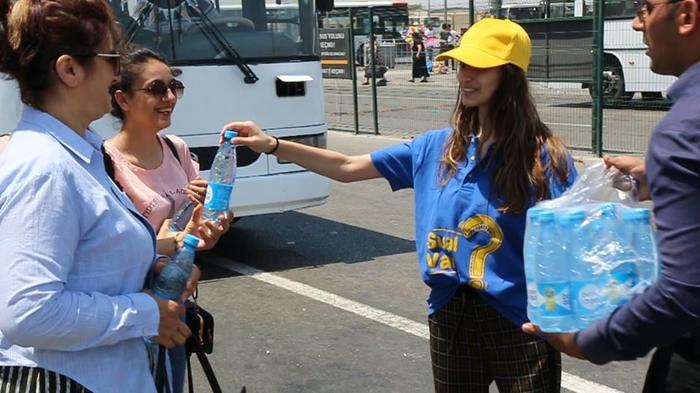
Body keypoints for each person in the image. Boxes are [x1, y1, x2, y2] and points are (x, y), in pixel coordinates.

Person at [224, 18, 577, 393]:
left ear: (509, 75)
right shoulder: (437, 146)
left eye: (480, 66)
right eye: (462, 64)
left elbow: (568, 246)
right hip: (449, 313)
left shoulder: (544, 158)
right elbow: (346, 167)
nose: (465, 76)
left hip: (519, 319)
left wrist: (565, 319)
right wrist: (273, 145)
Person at [0, 0, 191, 392]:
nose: (118, 73)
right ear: (69, 69)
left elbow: (90, 259)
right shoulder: (45, 167)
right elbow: (27, 312)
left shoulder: (79, 152)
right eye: (112, 59)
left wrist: (149, 270)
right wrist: (145, 313)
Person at [522, 0, 700, 391]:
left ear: (686, 15)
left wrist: (585, 342)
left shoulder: (684, 130)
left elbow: (684, 293)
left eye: (647, 8)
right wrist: (665, 177)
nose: (638, 24)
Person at [106, 47, 233, 393]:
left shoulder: (176, 148)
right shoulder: (106, 162)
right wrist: (169, 241)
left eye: (173, 86)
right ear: (123, 99)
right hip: (131, 310)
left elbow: (199, 233)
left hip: (173, 307)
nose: (169, 97)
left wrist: (209, 228)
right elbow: (109, 247)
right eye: (156, 89)